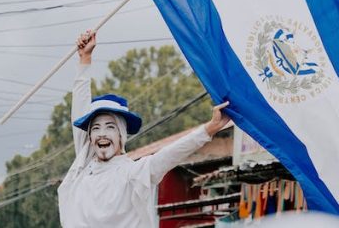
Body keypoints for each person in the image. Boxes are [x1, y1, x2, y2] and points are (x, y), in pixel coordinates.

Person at [57, 30, 232, 227]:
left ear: (121, 134)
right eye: (95, 128)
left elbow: (169, 155)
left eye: (110, 127)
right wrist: (84, 60)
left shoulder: (133, 173)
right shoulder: (82, 167)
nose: (102, 134)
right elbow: (79, 111)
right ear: (89, 136)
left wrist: (209, 129)